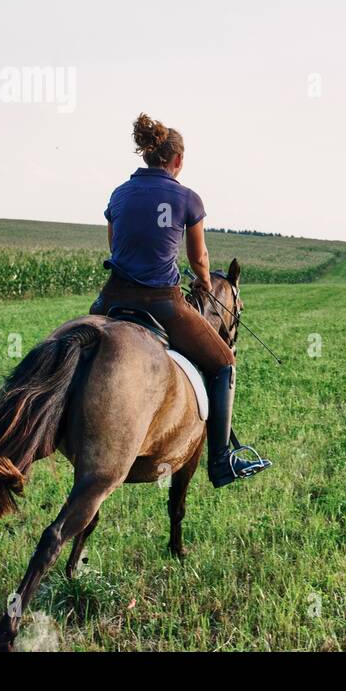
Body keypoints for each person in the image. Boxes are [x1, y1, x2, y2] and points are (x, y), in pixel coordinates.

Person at [89, 113, 259, 486]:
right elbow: (199, 259)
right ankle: (220, 461)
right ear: (178, 161)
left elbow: (114, 244)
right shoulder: (186, 197)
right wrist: (201, 281)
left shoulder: (119, 193)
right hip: (160, 302)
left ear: (149, 156)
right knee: (224, 363)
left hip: (109, 299)